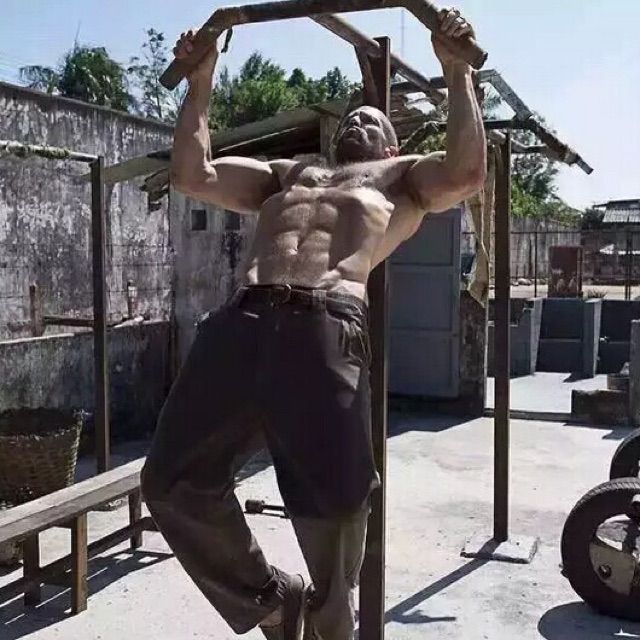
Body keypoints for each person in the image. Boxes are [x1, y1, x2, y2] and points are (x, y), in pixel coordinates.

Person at [141, 6, 485, 640]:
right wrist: (201, 81)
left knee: (338, 504)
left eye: (373, 119)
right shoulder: (289, 173)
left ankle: (331, 617)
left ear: (393, 145)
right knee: (169, 483)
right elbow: (195, 174)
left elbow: (465, 172)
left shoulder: (402, 178)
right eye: (353, 114)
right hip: (242, 320)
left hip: (324, 323)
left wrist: (457, 71)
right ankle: (273, 602)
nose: (359, 118)